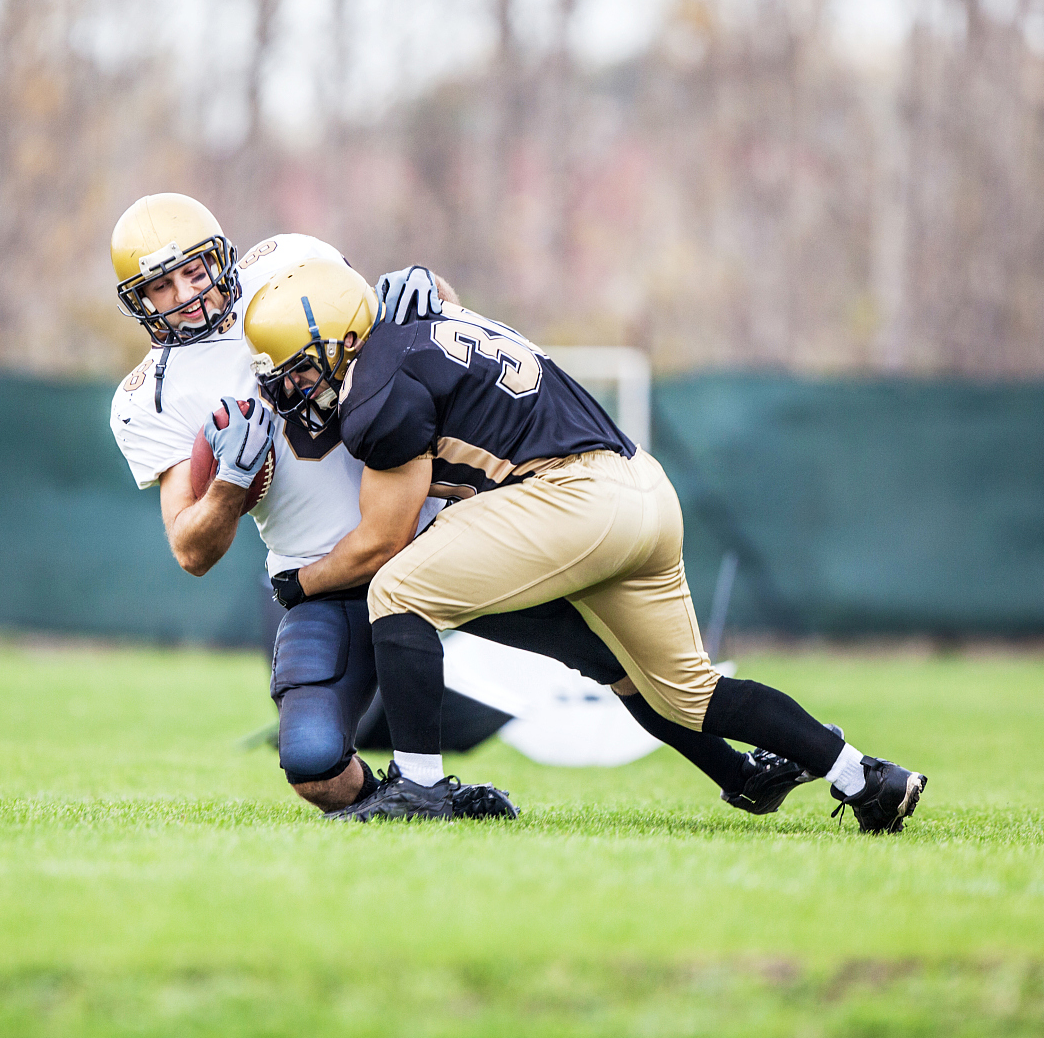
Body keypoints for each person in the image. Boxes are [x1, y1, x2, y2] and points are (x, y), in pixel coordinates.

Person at [107, 194, 837, 820]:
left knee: (609, 656)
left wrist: (432, 286)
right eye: (160, 286)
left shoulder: (292, 262)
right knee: (313, 765)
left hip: (436, 535)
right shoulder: (153, 396)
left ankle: (741, 775)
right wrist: (230, 487)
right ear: (140, 302)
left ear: (222, 255)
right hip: (327, 576)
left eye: (193, 269)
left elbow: (406, 338)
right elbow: (191, 548)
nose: (185, 293)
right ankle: (424, 798)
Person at [243, 259, 928, 832]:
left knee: (400, 588)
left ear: (343, 340)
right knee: (685, 690)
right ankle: (863, 778)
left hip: (571, 498)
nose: (294, 389)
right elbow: (442, 318)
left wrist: (300, 583)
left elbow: (382, 540)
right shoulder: (426, 326)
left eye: (300, 371)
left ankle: (418, 786)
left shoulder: (377, 390)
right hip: (642, 491)